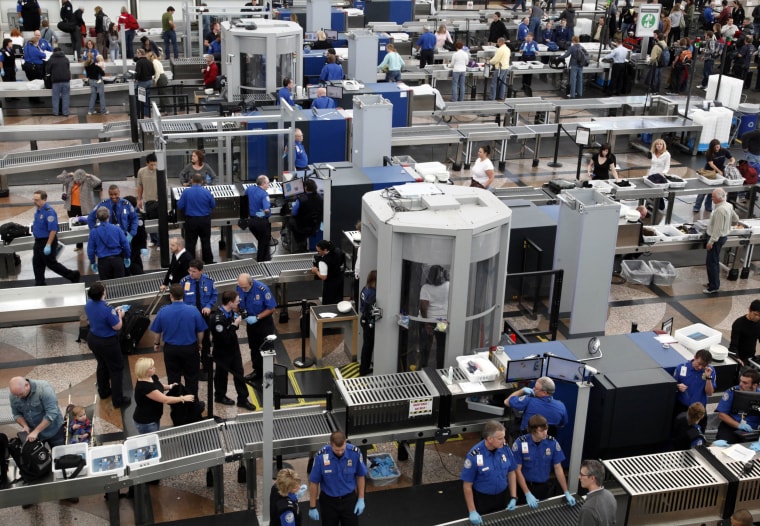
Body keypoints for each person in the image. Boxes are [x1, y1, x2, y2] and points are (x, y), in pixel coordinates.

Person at [151, 284, 208, 399]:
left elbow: (157, 332)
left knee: (173, 377)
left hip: (171, 349)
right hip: (190, 349)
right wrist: (199, 343)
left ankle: (176, 402)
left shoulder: (163, 311)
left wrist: (157, 344)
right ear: (183, 295)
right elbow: (200, 331)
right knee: (192, 376)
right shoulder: (193, 310)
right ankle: (192, 401)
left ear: (171, 295)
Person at [461, 420, 518, 525]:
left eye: (504, 437)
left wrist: (513, 497)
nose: (504, 440)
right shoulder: (474, 455)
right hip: (482, 500)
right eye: (500, 438)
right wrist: (472, 511)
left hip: (502, 497)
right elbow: (467, 485)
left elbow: (511, 472)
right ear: (490, 439)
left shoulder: (505, 449)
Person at [512, 415, 576, 508]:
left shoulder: (552, 443)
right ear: (533, 431)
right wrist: (527, 493)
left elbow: (558, 468)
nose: (545, 433)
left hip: (543, 486)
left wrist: (566, 491)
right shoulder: (520, 444)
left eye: (546, 429)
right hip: (524, 487)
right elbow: (517, 470)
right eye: (541, 431)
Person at [308, 430, 368, 526]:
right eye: (337, 450)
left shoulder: (355, 453)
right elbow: (314, 482)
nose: (340, 452)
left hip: (349, 500)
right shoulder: (320, 456)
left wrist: (361, 499)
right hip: (329, 502)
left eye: (342, 449)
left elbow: (360, 476)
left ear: (345, 442)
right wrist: (312, 506)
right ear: (331, 444)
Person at [85, 281, 130, 407]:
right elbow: (117, 326)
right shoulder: (107, 309)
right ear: (102, 293)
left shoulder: (88, 304)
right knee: (116, 369)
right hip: (107, 342)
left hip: (93, 338)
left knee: (102, 364)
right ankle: (118, 400)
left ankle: (103, 391)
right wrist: (120, 315)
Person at [211, 290, 255, 410]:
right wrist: (235, 325)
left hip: (234, 350)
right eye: (236, 301)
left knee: (239, 374)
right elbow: (225, 338)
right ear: (230, 303)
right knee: (221, 375)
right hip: (222, 352)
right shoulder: (218, 319)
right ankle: (220, 396)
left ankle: (243, 399)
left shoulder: (230, 313)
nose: (238, 303)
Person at [31, 190, 80, 286]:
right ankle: (39, 282)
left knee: (51, 263)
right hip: (38, 241)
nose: (35, 201)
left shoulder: (49, 212)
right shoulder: (38, 210)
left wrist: (48, 245)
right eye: (34, 199)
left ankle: (72, 275)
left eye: (37, 200)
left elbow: (53, 230)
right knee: (36, 262)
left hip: (47, 240)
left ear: (44, 199)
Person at [133, 357, 193, 433]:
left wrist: (170, 386)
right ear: (144, 371)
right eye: (151, 368)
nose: (154, 368)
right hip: (147, 422)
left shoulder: (151, 377)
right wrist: (182, 398)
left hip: (153, 417)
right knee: (151, 442)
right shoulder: (145, 387)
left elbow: (159, 386)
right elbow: (165, 399)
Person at [180, 259, 217, 380]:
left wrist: (208, 306)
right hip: (189, 317)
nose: (191, 273)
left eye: (194, 271)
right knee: (190, 342)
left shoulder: (209, 281)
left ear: (201, 271)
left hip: (203, 316)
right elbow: (179, 298)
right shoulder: (184, 282)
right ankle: (191, 367)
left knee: (205, 341)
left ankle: (206, 366)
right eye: (189, 270)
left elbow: (214, 296)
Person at [237, 272, 277, 382]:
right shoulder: (240, 287)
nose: (242, 289)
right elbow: (239, 302)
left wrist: (258, 317)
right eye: (241, 286)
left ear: (251, 282)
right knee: (254, 348)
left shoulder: (262, 289)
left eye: (244, 287)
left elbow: (271, 308)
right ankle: (258, 371)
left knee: (267, 349)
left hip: (264, 323)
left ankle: (269, 373)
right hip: (251, 323)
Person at [9, 377, 65, 446]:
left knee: (60, 455)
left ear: (26, 385)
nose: (18, 397)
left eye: (21, 394)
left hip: (54, 430)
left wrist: (36, 431)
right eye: (16, 395)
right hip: (34, 433)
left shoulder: (44, 389)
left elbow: (51, 413)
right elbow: (16, 414)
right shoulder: (14, 394)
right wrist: (25, 426)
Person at [704, 187, 739, 294]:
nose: (712, 198)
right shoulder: (728, 205)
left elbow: (717, 229)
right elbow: (736, 219)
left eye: (713, 197)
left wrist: (711, 241)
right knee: (713, 261)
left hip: (716, 239)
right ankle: (713, 283)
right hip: (723, 237)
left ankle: (713, 286)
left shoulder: (720, 210)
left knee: (712, 262)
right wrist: (729, 225)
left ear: (719, 198)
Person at [505, 376, 569, 434]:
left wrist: (522, 390)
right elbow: (562, 425)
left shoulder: (529, 400)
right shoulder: (561, 406)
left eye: (536, 388)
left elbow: (507, 402)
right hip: (548, 442)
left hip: (527, 439)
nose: (533, 389)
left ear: (544, 392)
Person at [57, 168, 101, 249]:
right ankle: (79, 245)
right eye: (76, 180)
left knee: (87, 225)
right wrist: (68, 174)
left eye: (80, 180)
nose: (78, 182)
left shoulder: (87, 182)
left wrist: (89, 175)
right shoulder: (70, 180)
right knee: (74, 225)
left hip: (84, 208)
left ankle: (92, 243)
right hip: (71, 207)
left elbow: (98, 181)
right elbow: (59, 178)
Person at [177, 173, 216, 264]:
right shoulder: (207, 192)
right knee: (206, 241)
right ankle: (208, 261)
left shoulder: (186, 192)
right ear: (202, 182)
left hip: (191, 220)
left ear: (192, 181)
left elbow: (180, 206)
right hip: (204, 220)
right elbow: (213, 205)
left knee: (190, 243)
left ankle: (190, 263)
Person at [715, 367, 760, 442]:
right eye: (741, 381)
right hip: (731, 427)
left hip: (752, 430)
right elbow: (722, 415)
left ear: (754, 385)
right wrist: (739, 425)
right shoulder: (732, 392)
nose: (740, 384)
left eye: (745, 383)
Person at [418, 264, 449, 369]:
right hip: (442, 321)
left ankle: (423, 366)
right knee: (441, 345)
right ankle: (440, 368)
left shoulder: (426, 288)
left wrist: (426, 324)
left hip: (429, 320)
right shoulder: (449, 285)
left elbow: (423, 307)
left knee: (426, 344)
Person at [87, 207, 131, 280]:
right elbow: (125, 244)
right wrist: (127, 256)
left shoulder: (94, 232)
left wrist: (92, 262)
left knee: (106, 286)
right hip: (117, 260)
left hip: (103, 263)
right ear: (108, 216)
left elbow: (90, 249)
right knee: (120, 285)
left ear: (97, 217)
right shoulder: (117, 229)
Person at [673, 349, 715, 417]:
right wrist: (678, 386)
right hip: (682, 408)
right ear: (694, 357)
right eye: (699, 363)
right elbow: (672, 386)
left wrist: (708, 378)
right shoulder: (681, 367)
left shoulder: (710, 371)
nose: (700, 367)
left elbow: (709, 393)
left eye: (704, 365)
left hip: (699, 410)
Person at [577, 459, 617, 526]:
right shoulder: (610, 496)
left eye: (582, 475)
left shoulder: (588, 509)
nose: (579, 477)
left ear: (592, 478)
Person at [289, 178, 323, 251]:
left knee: (290, 221)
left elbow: (294, 213)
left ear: (306, 188)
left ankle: (299, 243)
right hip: (315, 226)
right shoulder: (320, 198)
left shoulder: (301, 199)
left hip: (302, 227)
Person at [245, 175, 273, 262]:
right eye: (268, 183)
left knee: (261, 241)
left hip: (251, 222)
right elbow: (266, 210)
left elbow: (244, 197)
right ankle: (261, 262)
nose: (269, 185)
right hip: (261, 222)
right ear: (263, 183)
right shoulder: (264, 194)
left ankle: (264, 259)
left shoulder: (249, 189)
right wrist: (265, 214)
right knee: (264, 243)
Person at [136, 152, 161, 244]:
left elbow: (163, 186)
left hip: (157, 200)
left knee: (158, 221)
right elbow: (140, 186)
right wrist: (139, 199)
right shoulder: (141, 172)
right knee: (149, 220)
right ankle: (154, 240)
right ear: (147, 163)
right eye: (151, 164)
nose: (153, 166)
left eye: (155, 164)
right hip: (147, 200)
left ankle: (159, 242)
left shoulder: (160, 171)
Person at [312, 240, 346, 305]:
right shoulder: (337, 251)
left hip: (330, 285)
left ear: (325, 250)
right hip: (339, 281)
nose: (318, 253)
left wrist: (316, 271)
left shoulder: (323, 261)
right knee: (338, 301)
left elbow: (323, 277)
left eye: (319, 251)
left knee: (329, 303)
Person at [729, 299, 760, 366]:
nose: (757, 318)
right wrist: (736, 358)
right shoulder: (738, 324)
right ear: (749, 310)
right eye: (755, 314)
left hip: (750, 357)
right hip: (738, 357)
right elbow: (733, 345)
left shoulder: (759, 323)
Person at [122, 195, 147, 275]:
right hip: (131, 243)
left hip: (135, 243)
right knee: (135, 260)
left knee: (133, 261)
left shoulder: (137, 216)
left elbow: (142, 232)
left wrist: (143, 246)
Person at [359, 270, 377, 376]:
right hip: (369, 322)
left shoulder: (365, 289)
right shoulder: (373, 293)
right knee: (368, 346)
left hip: (364, 319)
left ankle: (364, 366)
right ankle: (364, 369)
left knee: (366, 345)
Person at [47, 47, 71, 117]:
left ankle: (56, 113)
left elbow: (47, 70)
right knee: (66, 97)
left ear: (53, 52)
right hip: (66, 81)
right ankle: (65, 113)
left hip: (56, 81)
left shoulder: (51, 59)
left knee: (55, 98)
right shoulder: (65, 59)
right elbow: (68, 68)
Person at [134, 48, 155, 118]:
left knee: (141, 98)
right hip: (149, 81)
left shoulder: (139, 62)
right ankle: (147, 114)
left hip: (142, 82)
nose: (136, 54)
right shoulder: (149, 62)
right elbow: (153, 72)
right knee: (147, 98)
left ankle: (141, 115)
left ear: (140, 54)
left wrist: (136, 78)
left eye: (137, 53)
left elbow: (138, 73)